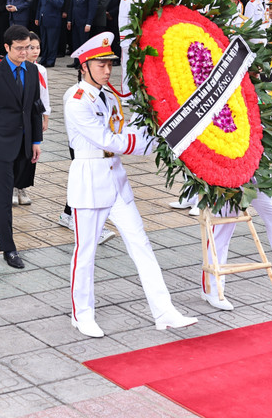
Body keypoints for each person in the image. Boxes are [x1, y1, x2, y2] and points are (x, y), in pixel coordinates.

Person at [63, 32, 197, 337]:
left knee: (141, 245)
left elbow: (125, 127)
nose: (108, 70)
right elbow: (107, 139)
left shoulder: (108, 96)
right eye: (101, 64)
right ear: (84, 65)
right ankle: (82, 314)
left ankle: (164, 311)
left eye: (110, 63)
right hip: (90, 177)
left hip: (116, 179)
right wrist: (154, 142)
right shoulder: (76, 100)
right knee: (85, 252)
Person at [0, 25, 42, 269]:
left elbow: (34, 107)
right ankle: (9, 248)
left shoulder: (32, 71)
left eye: (29, 48)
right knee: (5, 195)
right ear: (6, 48)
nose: (25, 52)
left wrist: (36, 141)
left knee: (7, 185)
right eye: (20, 48)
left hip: (24, 142)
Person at [12, 31, 50, 206]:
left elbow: (44, 94)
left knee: (31, 154)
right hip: (17, 117)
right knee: (15, 152)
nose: (34, 51)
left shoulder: (39, 69)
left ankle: (22, 186)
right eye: (30, 47)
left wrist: (45, 116)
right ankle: (12, 186)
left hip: (34, 115)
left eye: (37, 47)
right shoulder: (15, 68)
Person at [36, 0, 64, 67]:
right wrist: (37, 17)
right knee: (44, 41)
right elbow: (40, 5)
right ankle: (44, 58)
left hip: (53, 21)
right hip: (43, 19)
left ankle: (51, 60)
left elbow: (59, 5)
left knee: (52, 42)